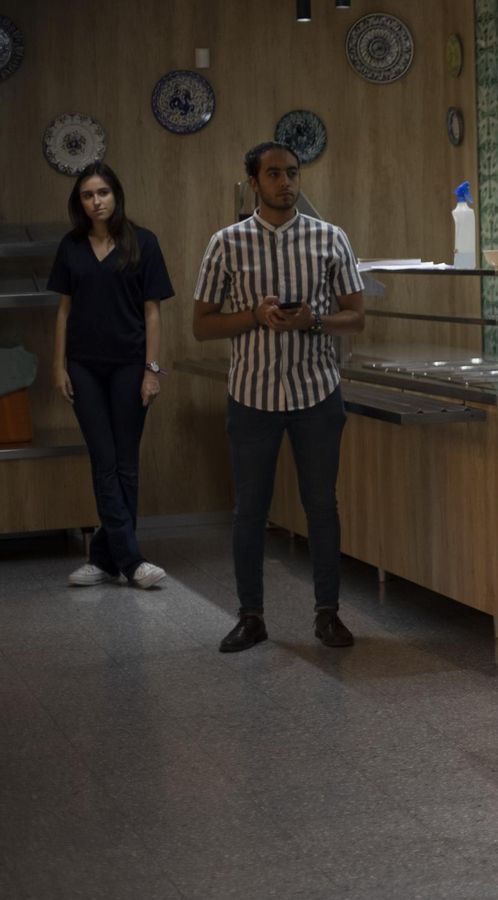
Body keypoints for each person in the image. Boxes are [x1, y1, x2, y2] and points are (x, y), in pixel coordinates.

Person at [192, 141, 365, 653]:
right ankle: (251, 617)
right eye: (273, 174)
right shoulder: (226, 243)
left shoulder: (330, 237)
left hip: (317, 392)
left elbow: (356, 316)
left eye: (292, 173)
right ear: (253, 182)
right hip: (253, 394)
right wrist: (254, 315)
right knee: (250, 509)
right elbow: (202, 325)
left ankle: (328, 614)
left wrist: (315, 320)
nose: (285, 182)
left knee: (322, 506)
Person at [48, 162, 173, 590]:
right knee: (104, 461)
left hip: (130, 366)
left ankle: (104, 558)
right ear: (79, 202)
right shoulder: (71, 246)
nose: (96, 201)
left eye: (102, 192)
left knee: (125, 465)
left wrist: (151, 371)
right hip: (83, 366)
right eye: (87, 195)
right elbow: (64, 310)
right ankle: (133, 562)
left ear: (116, 195)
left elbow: (153, 312)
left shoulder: (144, 243)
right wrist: (58, 365)